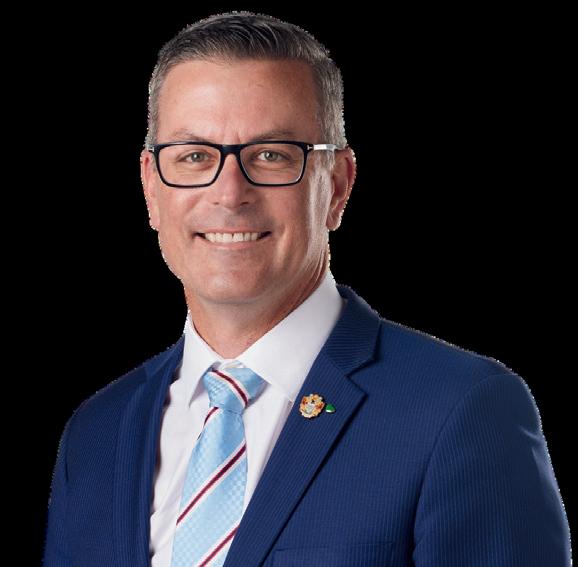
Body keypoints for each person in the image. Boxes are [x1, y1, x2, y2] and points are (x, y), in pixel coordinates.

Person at [43, 11, 571, 567]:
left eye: (271, 155)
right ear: (151, 187)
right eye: (195, 156)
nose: (229, 193)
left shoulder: (461, 411)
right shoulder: (97, 434)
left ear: (337, 186)